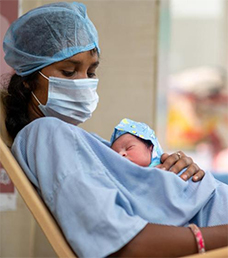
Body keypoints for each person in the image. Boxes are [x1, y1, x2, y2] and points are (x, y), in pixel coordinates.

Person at [1, 2, 227, 258]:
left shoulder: (76, 139)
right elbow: (124, 244)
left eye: (91, 71)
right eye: (68, 71)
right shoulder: (46, 134)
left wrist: (172, 171)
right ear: (29, 81)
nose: (83, 84)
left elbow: (140, 200)